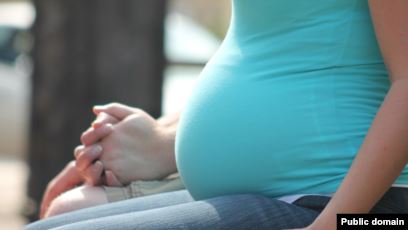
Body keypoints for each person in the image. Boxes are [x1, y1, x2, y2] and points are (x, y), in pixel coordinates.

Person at [26, 0, 408, 229]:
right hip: (281, 193)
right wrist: (160, 139)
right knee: (59, 216)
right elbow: (280, 53)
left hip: (355, 209)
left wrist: (334, 224)